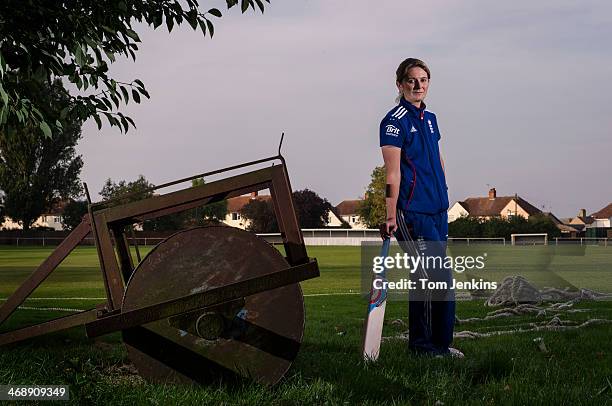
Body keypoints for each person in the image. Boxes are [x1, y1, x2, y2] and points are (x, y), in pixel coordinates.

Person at [379, 58, 462, 357]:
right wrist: (390, 215)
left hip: (438, 211)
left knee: (443, 280)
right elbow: (392, 174)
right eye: (412, 80)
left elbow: (438, 159)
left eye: (424, 80)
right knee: (427, 278)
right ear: (400, 84)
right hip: (412, 214)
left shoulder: (431, 118)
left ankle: (441, 345)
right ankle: (422, 347)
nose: (418, 85)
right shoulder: (393, 121)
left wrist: (444, 193)